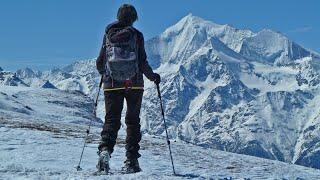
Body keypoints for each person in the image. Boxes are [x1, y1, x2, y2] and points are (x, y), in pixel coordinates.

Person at [95, 4, 161, 174]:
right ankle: (131, 161)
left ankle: (104, 153)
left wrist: (106, 73)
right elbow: (142, 61)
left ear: (118, 16)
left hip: (111, 84)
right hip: (134, 84)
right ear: (133, 18)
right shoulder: (137, 36)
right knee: (132, 122)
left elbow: (100, 62)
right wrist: (153, 77)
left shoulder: (108, 34)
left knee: (111, 120)